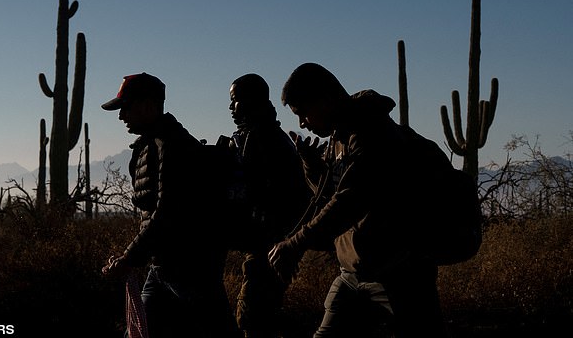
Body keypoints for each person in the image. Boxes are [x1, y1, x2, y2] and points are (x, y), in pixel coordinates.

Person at [268, 63, 448, 337]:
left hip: (399, 274)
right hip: (353, 272)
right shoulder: (339, 137)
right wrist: (310, 165)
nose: (302, 123)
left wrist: (295, 244)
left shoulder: (371, 133)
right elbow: (330, 195)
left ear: (326, 100)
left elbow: (351, 199)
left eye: (303, 113)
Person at [101, 72, 240, 338]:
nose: (121, 116)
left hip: (191, 268)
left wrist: (129, 258)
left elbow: (167, 211)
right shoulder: (152, 145)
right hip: (163, 266)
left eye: (126, 108)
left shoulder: (172, 146)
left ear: (148, 105)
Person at [217, 73, 310, 338]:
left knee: (253, 319)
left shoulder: (264, 140)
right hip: (266, 246)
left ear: (250, 101)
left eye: (234, 100)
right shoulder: (256, 136)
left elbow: (265, 196)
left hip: (270, 247)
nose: (230, 107)